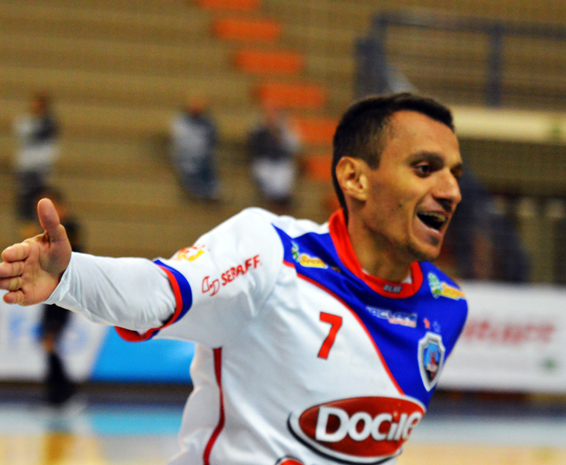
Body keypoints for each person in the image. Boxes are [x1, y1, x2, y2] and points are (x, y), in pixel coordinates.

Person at [0, 93, 468, 465]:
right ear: (355, 179)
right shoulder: (272, 250)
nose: (450, 191)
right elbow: (161, 292)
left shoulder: (447, 307)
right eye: (425, 169)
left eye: (455, 174)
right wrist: (69, 274)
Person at [36, 188, 83, 406]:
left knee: (50, 343)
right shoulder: (46, 236)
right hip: (50, 298)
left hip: (63, 299)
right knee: (48, 344)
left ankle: (65, 394)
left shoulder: (71, 230)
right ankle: (57, 395)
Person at [14, 91, 60, 237]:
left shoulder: (50, 124)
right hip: (26, 170)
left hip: (41, 171)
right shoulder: (25, 122)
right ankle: (27, 231)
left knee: (41, 204)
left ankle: (41, 231)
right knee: (26, 205)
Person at [248, 101, 301, 213]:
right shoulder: (258, 128)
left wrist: (282, 134)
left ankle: (281, 204)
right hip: (264, 162)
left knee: (284, 177)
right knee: (263, 174)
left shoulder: (287, 130)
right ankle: (270, 203)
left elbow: (296, 147)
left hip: (281, 163)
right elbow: (252, 144)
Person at [170, 94, 220, 202]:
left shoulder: (207, 123)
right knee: (191, 167)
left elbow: (212, 140)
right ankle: (197, 190)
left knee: (208, 165)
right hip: (187, 157)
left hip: (203, 157)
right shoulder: (180, 123)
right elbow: (181, 143)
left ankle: (211, 190)